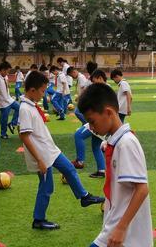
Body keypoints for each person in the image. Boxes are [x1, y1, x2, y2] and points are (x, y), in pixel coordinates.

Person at [74, 83, 153, 247]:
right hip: (126, 229)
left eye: (92, 120)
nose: (90, 127)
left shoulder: (126, 144)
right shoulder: (116, 142)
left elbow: (142, 188)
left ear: (109, 113)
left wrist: (120, 227)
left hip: (120, 231)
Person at [18, 71, 105, 230]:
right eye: (42, 91)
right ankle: (38, 220)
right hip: (42, 155)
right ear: (32, 90)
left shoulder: (31, 105)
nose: (44, 94)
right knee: (46, 187)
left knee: (70, 169)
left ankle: (84, 197)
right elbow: (24, 137)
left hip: (50, 150)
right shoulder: (24, 109)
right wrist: (39, 160)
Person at [72, 69, 108, 178]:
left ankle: (80, 161)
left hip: (98, 121)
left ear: (100, 78)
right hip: (101, 121)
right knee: (95, 146)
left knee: (78, 135)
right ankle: (102, 171)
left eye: (95, 81)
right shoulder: (103, 89)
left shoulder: (104, 90)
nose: (93, 83)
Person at [0, 61, 19, 139]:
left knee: (20, 108)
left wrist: (9, 94)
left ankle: (12, 124)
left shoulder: (5, 77)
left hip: (9, 99)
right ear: (2, 70)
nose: (8, 73)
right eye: (7, 71)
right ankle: (3, 134)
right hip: (3, 102)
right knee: (5, 119)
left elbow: (6, 85)